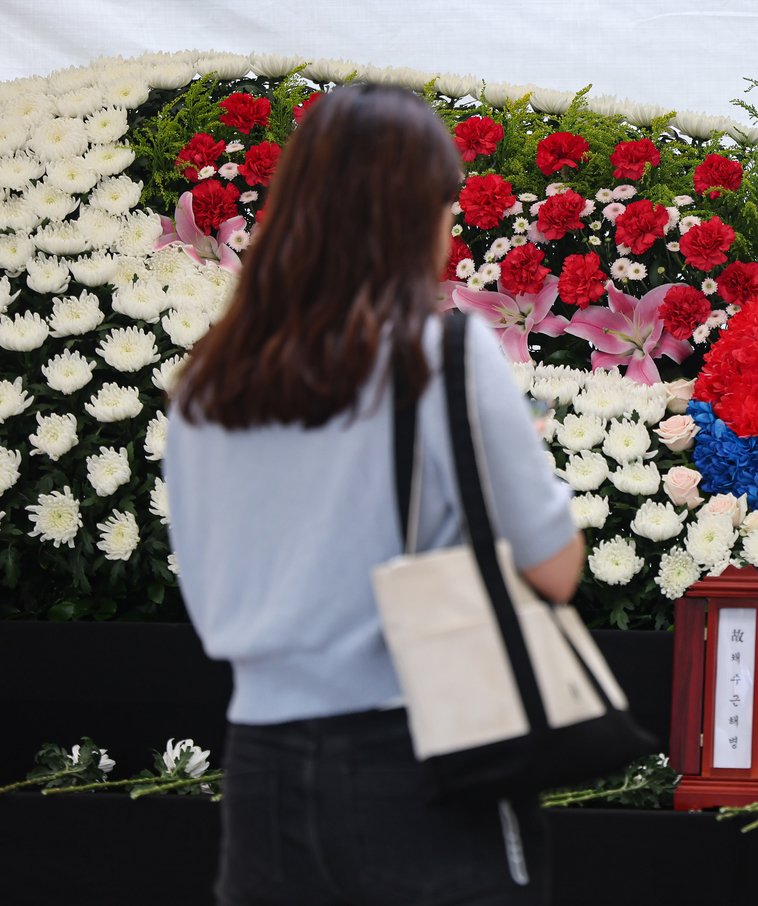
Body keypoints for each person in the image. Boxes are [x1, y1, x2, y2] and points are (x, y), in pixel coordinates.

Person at [163, 83, 581, 906]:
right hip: (419, 747)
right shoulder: (446, 357)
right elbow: (555, 569)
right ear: (409, 217)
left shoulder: (208, 380)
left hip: (261, 766)